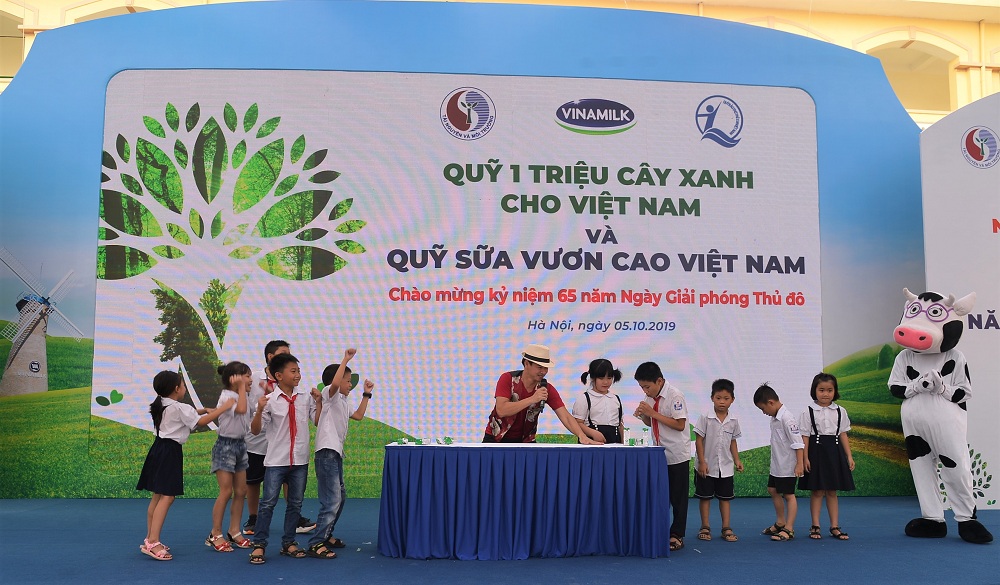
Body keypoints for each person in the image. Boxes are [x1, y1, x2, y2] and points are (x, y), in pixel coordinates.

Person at [136, 370, 234, 561]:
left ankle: (150, 538)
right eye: (182, 384)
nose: (184, 388)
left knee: (157, 495)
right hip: (170, 453)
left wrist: (203, 410)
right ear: (176, 388)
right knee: (167, 496)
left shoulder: (162, 404)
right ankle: (153, 542)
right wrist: (223, 408)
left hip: (158, 449)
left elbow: (186, 415)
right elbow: (200, 422)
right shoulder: (179, 407)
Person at [305, 349, 374, 559]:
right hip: (326, 452)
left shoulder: (343, 401)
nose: (350, 384)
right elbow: (335, 384)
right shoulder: (330, 394)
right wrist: (345, 359)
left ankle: (326, 535)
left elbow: (359, 416)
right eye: (347, 380)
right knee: (332, 500)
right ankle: (316, 542)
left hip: (335, 454)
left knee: (339, 497)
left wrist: (366, 394)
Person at [243, 340, 315, 536]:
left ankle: (295, 520)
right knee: (254, 480)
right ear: (270, 357)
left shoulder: (295, 389)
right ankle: (253, 518)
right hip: (256, 441)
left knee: (289, 480)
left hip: (284, 444)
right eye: (284, 353)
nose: (288, 357)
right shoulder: (253, 379)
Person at [484, 343, 601, 444]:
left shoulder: (546, 388)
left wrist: (582, 436)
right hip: (495, 439)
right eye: (540, 367)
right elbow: (502, 410)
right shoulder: (507, 379)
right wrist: (532, 399)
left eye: (546, 368)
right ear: (526, 364)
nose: (543, 372)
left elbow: (565, 416)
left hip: (526, 442)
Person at [633, 361, 690, 552]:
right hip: (658, 453)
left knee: (678, 498)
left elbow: (680, 425)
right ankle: (659, 530)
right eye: (642, 387)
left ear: (659, 381)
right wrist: (644, 415)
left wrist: (652, 413)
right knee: (660, 495)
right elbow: (651, 423)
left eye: (647, 387)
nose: (645, 391)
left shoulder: (675, 395)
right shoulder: (651, 397)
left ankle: (677, 534)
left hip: (676, 454)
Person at [799, 372, 855, 540]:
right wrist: (805, 458)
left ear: (835, 391)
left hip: (835, 452)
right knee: (817, 491)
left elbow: (843, 434)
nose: (825, 394)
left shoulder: (840, 411)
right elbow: (805, 436)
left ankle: (834, 526)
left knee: (832, 490)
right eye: (821, 390)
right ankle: (815, 526)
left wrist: (849, 456)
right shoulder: (808, 411)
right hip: (815, 452)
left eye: (829, 390)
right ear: (814, 391)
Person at [206, 361, 252, 553]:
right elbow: (240, 410)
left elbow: (248, 413)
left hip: (240, 445)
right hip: (225, 446)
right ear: (235, 379)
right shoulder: (228, 396)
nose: (250, 380)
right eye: (247, 376)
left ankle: (234, 530)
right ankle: (215, 533)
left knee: (241, 491)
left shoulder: (243, 395)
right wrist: (241, 388)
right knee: (226, 491)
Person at [693, 379, 744, 543]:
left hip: (726, 467)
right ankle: (705, 526)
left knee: (725, 498)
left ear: (732, 400)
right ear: (712, 398)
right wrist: (702, 462)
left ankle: (726, 528)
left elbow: (733, 441)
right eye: (718, 398)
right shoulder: (705, 418)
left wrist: (737, 460)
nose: (722, 402)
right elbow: (698, 440)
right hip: (706, 466)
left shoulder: (734, 420)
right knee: (705, 497)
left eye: (726, 398)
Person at [753, 383, 804, 542]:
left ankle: (789, 528)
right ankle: (780, 522)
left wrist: (799, 464)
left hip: (788, 466)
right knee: (772, 489)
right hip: (777, 465)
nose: (764, 412)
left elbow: (798, 443)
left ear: (771, 402)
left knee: (789, 495)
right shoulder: (774, 419)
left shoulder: (787, 419)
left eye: (763, 409)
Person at [571, 358, 624, 444]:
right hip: (591, 442)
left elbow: (620, 425)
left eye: (609, 378)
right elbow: (577, 423)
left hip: (615, 443)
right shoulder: (585, 398)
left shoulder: (615, 398)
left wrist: (624, 444)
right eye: (601, 378)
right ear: (592, 378)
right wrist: (593, 433)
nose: (606, 382)